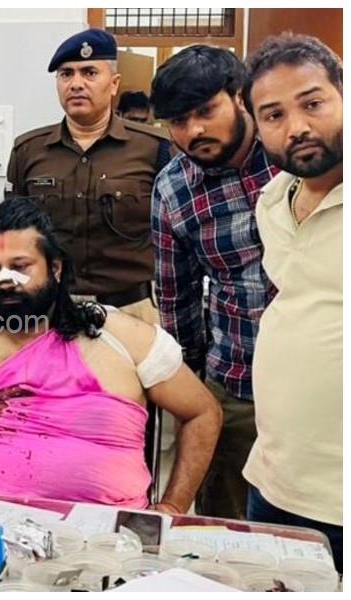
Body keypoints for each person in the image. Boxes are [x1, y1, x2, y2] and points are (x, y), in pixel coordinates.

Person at [0, 197, 221, 514]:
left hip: (107, 537)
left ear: (55, 268)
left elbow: (203, 413)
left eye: (20, 266)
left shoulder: (123, 337)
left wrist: (173, 507)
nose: (5, 281)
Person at [148, 46, 280, 520]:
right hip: (237, 382)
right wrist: (195, 390)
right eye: (178, 121)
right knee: (227, 528)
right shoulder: (173, 189)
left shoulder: (290, 154)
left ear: (240, 97)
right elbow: (176, 299)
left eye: (206, 111)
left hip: (323, 377)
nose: (194, 131)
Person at [241, 34, 343, 572]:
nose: (296, 126)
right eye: (274, 115)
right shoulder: (273, 200)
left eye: (313, 103)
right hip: (274, 478)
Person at [6, 28, 172, 324]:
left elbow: (177, 238)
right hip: (50, 309)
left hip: (133, 311)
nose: (76, 84)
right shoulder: (28, 151)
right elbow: (13, 237)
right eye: (66, 74)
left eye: (89, 73)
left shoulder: (154, 148)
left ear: (114, 83)